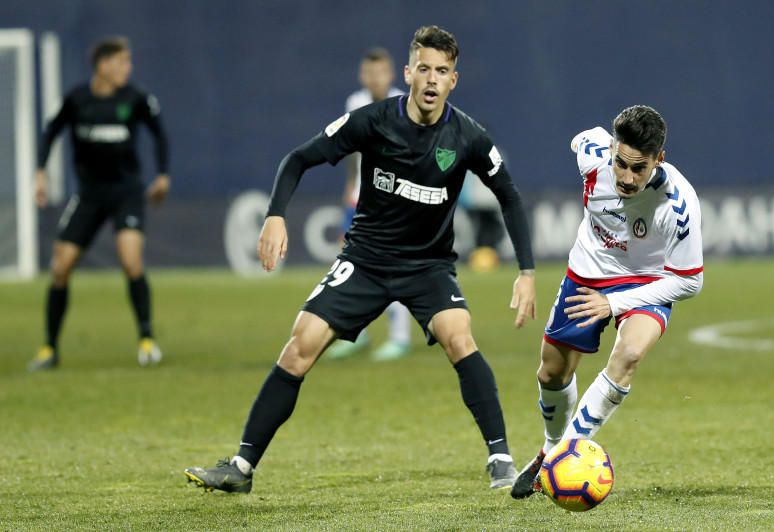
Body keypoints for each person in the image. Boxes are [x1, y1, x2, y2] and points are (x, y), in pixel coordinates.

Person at [185, 25, 536, 493]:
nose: (432, 80)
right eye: (425, 69)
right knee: (300, 345)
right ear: (409, 73)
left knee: (459, 337)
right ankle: (241, 467)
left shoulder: (468, 136)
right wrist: (274, 216)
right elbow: (296, 159)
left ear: (455, 80)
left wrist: (527, 272)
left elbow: (509, 197)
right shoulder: (372, 120)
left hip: (427, 266)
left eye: (443, 72)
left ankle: (501, 460)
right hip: (366, 260)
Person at [509, 105, 704, 499]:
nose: (627, 178)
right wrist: (601, 297)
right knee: (551, 374)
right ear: (612, 149)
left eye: (640, 168)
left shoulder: (679, 204)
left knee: (629, 354)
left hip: (648, 281)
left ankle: (560, 459)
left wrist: (615, 304)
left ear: (659, 160)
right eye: (622, 164)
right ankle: (550, 445)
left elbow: (689, 282)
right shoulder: (592, 155)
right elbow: (581, 137)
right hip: (589, 270)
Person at [28, 36, 170, 371]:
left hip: (126, 193)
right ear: (103, 65)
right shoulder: (77, 100)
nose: (128, 68)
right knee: (60, 268)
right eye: (122, 62)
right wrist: (40, 174)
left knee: (131, 263)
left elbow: (159, 132)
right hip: (89, 195)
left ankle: (147, 339)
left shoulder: (134, 98)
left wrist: (163, 175)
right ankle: (49, 348)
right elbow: (50, 132)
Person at [325, 47, 411, 362]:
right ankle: (356, 334)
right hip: (361, 198)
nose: (374, 78)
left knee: (393, 268)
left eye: (380, 72)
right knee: (350, 265)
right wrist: (350, 189)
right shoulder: (355, 104)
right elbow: (352, 154)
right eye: (369, 73)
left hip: (396, 200)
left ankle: (400, 338)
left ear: (391, 74)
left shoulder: (405, 104)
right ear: (362, 76)